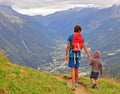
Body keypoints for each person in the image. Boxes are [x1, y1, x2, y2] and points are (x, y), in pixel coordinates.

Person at [65, 24, 92, 91]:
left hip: (71, 56)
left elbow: (68, 46)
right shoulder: (81, 38)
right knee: (77, 69)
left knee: (72, 70)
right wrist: (90, 56)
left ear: (74, 30)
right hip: (78, 56)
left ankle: (73, 85)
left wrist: (66, 55)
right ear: (79, 30)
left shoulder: (70, 36)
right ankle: (76, 83)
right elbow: (85, 48)